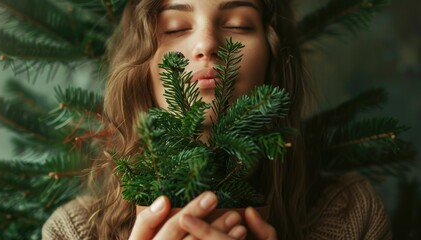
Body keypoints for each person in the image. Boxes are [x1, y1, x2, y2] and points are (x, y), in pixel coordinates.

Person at [42, 0, 392, 239]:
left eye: (238, 24)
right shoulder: (74, 230)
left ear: (273, 56)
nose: (207, 44)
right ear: (141, 63)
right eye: (176, 27)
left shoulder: (349, 214)